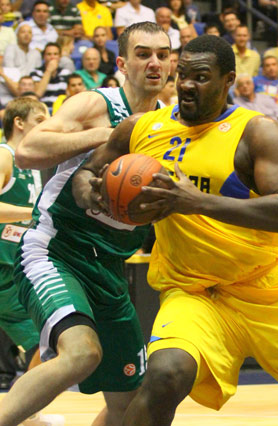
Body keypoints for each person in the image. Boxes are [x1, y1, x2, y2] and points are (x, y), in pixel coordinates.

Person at [73, 34, 278, 426]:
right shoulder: (141, 128)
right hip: (194, 292)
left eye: (200, 77)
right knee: (164, 375)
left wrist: (196, 202)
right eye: (182, 75)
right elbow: (87, 172)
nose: (187, 85)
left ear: (228, 80)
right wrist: (92, 193)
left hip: (270, 290)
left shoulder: (257, 132)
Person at [0, 22, 171, 426]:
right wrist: (110, 136)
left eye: (163, 55)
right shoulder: (97, 103)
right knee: (82, 353)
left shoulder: (170, 126)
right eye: (143, 54)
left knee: (131, 405)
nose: (154, 63)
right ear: (122, 64)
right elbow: (28, 150)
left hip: (109, 270)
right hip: (56, 252)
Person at [0, 97, 65, 426]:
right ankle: (23, 413)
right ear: (19, 123)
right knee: (48, 337)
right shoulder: (4, 155)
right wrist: (33, 212)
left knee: (47, 339)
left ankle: (24, 411)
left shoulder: (33, 164)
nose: (47, 124)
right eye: (40, 119)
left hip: (15, 266)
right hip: (3, 269)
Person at [30, 42, 71, 110]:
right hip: (43, 109)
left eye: (55, 54)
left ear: (60, 56)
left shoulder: (66, 73)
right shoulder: (36, 72)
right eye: (49, 54)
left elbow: (69, 94)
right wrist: (49, 71)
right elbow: (38, 93)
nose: (52, 57)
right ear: (44, 56)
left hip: (61, 109)